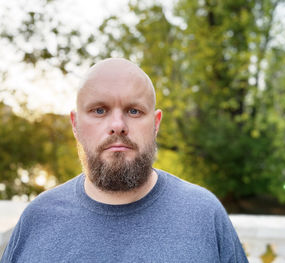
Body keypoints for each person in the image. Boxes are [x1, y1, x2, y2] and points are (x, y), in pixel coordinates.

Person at [1, 58, 248, 263]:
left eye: (134, 111)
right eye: (99, 110)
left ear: (156, 123)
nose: (118, 126)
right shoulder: (37, 218)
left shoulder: (205, 214)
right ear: (75, 124)